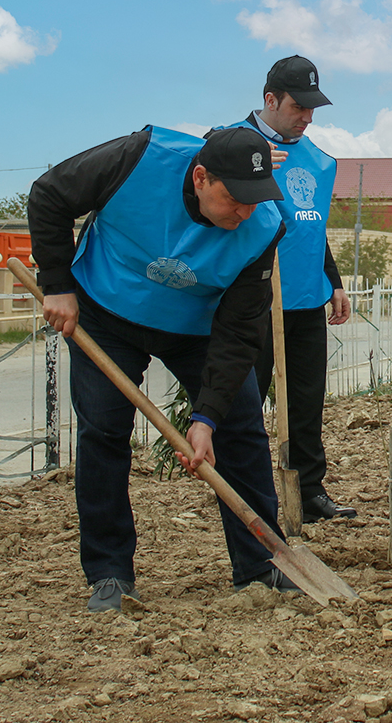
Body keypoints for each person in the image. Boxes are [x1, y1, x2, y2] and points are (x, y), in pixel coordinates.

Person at [28, 125, 298, 611]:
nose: (244, 212)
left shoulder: (263, 228)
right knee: (104, 431)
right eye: (234, 198)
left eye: (255, 200)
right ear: (200, 177)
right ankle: (109, 573)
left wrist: (206, 417)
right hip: (107, 308)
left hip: (195, 327)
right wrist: (57, 284)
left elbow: (239, 333)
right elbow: (49, 195)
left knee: (241, 429)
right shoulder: (138, 158)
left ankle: (261, 562)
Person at [213, 55, 356, 524]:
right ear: (270, 100)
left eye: (313, 108)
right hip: (250, 304)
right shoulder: (227, 144)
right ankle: (248, 497)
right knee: (246, 406)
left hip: (305, 301)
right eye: (298, 106)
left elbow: (309, 225)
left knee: (306, 402)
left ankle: (310, 490)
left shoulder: (318, 160)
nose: (307, 117)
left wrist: (332, 280)